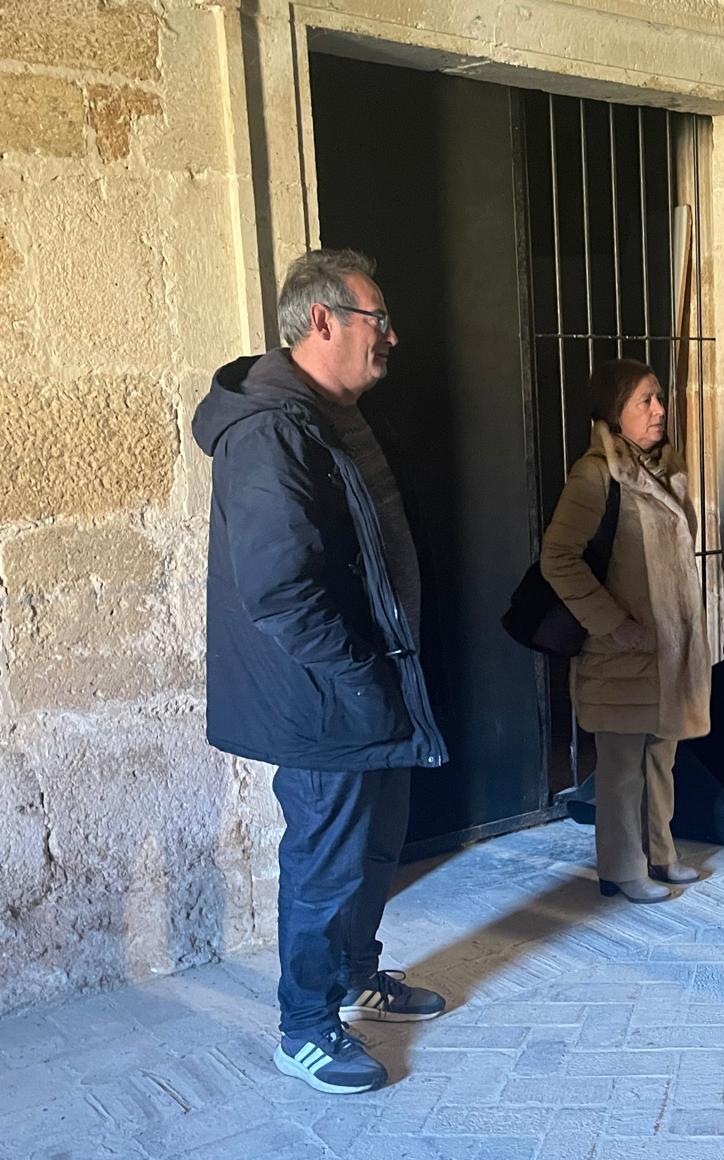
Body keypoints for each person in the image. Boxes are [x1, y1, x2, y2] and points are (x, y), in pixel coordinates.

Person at [193, 249, 448, 1095]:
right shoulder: (272, 429)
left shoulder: (328, 413)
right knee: (327, 861)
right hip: (326, 699)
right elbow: (280, 591)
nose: (393, 336)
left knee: (374, 850)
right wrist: (360, 680)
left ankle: (355, 976)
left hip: (369, 688)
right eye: (379, 318)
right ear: (325, 320)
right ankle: (304, 1026)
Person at [541, 359, 712, 904]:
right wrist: (613, 625)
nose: (660, 410)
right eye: (645, 400)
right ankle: (621, 868)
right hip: (620, 650)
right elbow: (558, 558)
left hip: (664, 649)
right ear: (615, 412)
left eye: (659, 398)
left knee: (661, 755)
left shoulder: (665, 467)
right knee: (619, 768)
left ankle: (660, 854)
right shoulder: (595, 473)